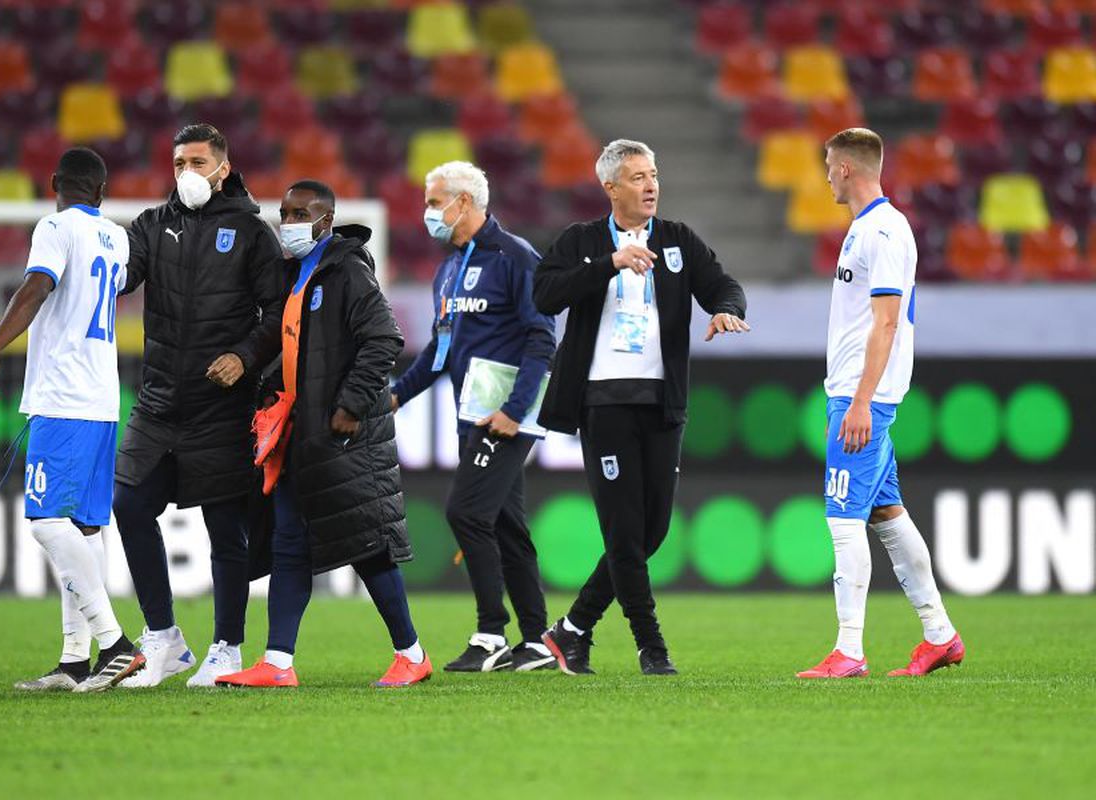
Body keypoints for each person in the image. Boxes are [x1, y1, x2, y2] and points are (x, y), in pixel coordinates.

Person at [532, 139, 748, 676]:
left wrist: (725, 310)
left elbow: (721, 283)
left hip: (661, 401)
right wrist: (608, 263)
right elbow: (544, 296)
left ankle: (572, 631)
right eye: (637, 177)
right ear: (610, 187)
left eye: (653, 175)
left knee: (651, 532)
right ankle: (651, 647)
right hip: (603, 402)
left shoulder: (677, 241)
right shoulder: (581, 240)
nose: (651, 185)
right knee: (625, 532)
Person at [217, 180, 431, 689]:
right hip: (302, 432)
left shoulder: (347, 272)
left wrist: (352, 404)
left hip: (343, 433)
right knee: (291, 543)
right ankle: (278, 662)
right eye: (284, 213)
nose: (288, 223)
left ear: (325, 220)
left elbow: (384, 339)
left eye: (299, 214)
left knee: (363, 543)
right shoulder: (298, 274)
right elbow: (299, 351)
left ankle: (412, 654)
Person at [112, 123, 285, 688]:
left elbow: (276, 313)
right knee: (129, 504)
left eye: (198, 161)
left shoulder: (252, 233)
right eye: (179, 162)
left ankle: (227, 648)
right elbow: (120, 277)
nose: (187, 172)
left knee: (226, 530)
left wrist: (244, 355)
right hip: (160, 400)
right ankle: (163, 638)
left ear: (224, 167)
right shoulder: (150, 227)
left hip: (222, 404)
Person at [0, 147, 142, 693]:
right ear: (102, 191)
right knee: (86, 528)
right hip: (101, 397)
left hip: (64, 396)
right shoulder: (116, 238)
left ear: (54, 184)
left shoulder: (53, 226)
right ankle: (74, 660)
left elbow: (38, 286)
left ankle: (114, 644)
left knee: (47, 522)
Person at [797, 128, 964, 679]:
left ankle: (849, 651)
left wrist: (862, 402)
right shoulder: (864, 229)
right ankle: (939, 634)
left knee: (842, 519)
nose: (825, 175)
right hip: (855, 391)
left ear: (845, 168)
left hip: (860, 396)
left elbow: (887, 321)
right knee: (887, 515)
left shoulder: (885, 232)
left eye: (828, 165)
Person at [391, 161, 557, 673]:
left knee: (465, 513)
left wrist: (514, 409)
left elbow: (542, 337)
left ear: (465, 202)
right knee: (507, 525)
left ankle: (490, 635)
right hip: (473, 417)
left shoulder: (517, 258)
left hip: (504, 417)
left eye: (435, 201)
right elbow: (439, 353)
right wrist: (394, 397)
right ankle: (535, 642)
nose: (428, 213)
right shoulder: (448, 271)